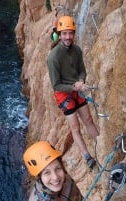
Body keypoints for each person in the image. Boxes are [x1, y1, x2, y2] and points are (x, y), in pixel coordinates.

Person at [47, 16, 99, 169]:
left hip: (77, 87)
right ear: (60, 34)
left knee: (88, 119)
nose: (68, 37)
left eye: (70, 33)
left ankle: (100, 143)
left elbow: (82, 70)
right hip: (64, 93)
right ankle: (87, 156)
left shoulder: (77, 50)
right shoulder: (53, 57)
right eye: (64, 34)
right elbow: (56, 85)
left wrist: (81, 81)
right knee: (75, 127)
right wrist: (74, 87)